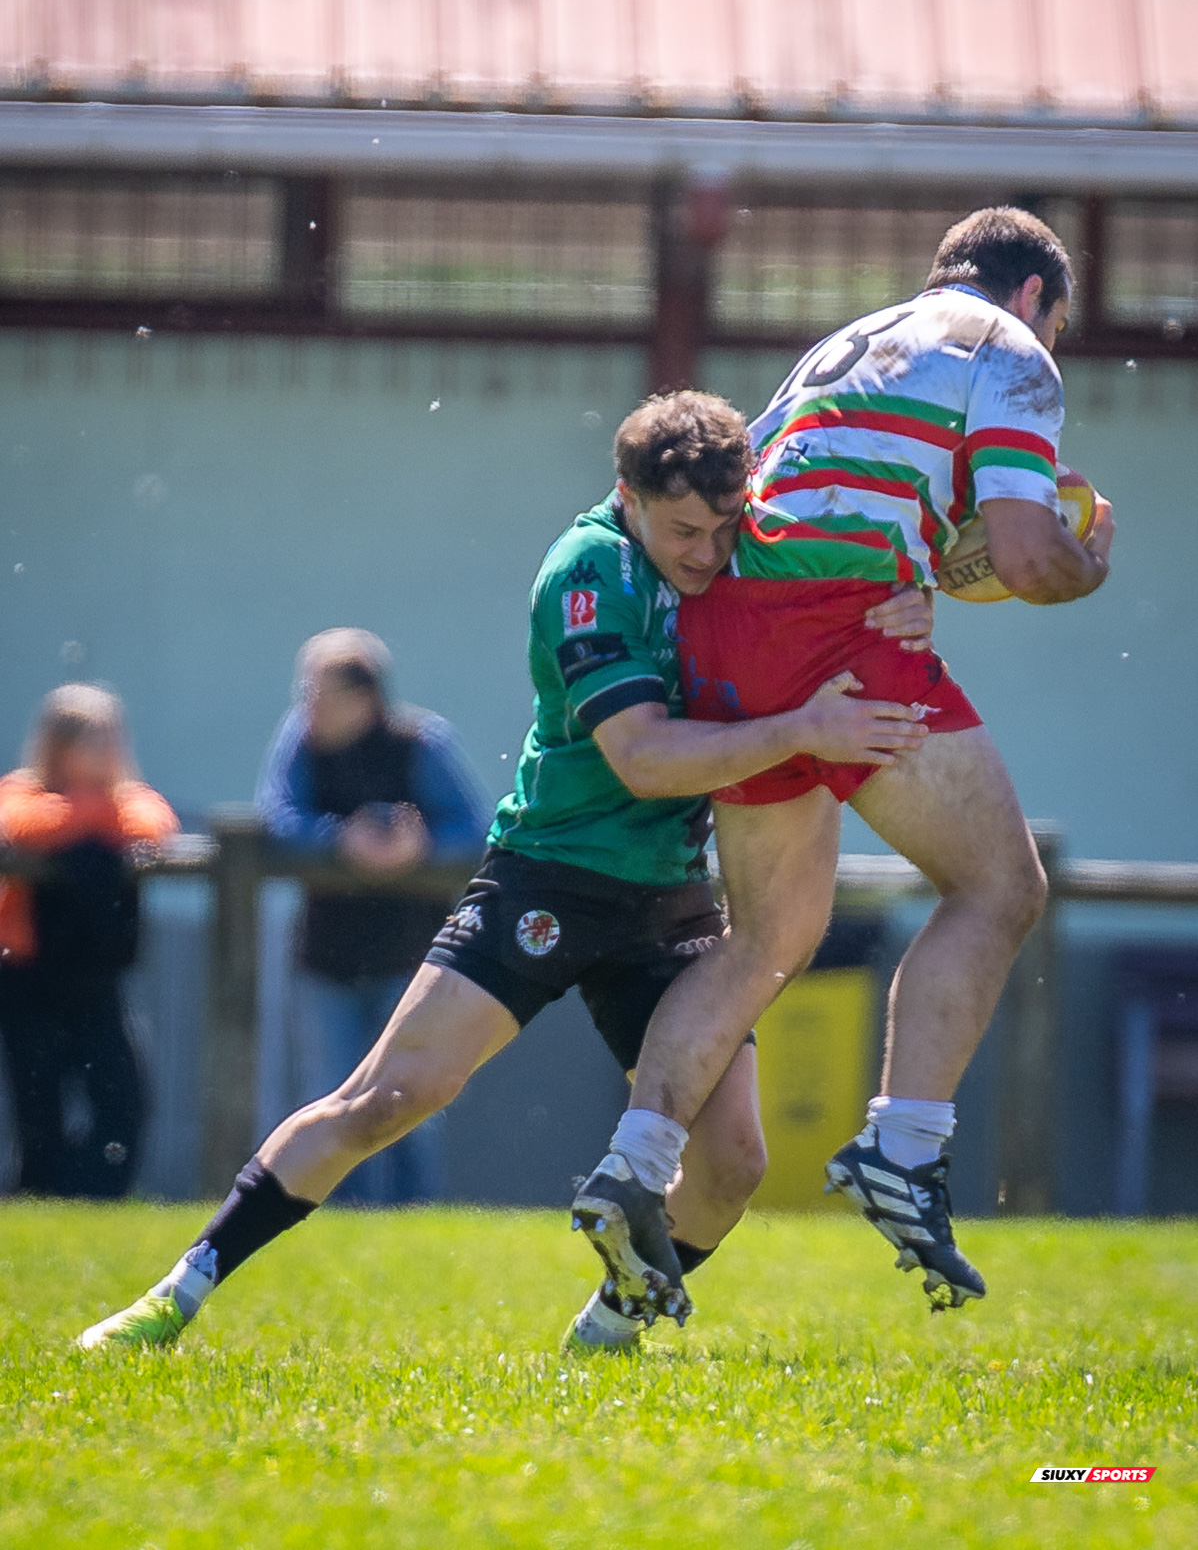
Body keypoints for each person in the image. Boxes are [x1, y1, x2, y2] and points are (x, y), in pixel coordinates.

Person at [79, 391, 931, 1353]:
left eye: (725, 528)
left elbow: (841, 575)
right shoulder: (586, 571)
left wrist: (903, 599)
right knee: (389, 1099)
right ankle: (175, 1296)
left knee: (734, 1161)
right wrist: (805, 730)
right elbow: (644, 758)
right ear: (629, 496)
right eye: (685, 530)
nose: (708, 553)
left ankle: (603, 1338)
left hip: (673, 899)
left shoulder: (738, 546)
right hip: (551, 878)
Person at [573, 207, 1116, 1316]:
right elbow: (1022, 553)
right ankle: (902, 1146)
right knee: (1000, 887)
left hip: (730, 625)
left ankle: (631, 1166)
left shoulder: (854, 340)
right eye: (1057, 326)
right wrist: (1084, 564)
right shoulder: (1009, 353)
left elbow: (790, 498)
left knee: (769, 939)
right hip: (834, 628)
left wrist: (910, 566)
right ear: (1033, 298)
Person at [258, 629, 492, 1206]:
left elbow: (475, 831)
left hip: (415, 959)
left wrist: (419, 851)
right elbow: (276, 820)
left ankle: (413, 1221)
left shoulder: (422, 743)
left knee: (408, 1100)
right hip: (326, 956)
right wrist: (343, 842)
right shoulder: (301, 740)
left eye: (318, 692)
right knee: (332, 1097)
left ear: (364, 697)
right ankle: (338, 1219)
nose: (306, 704)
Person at [0, 686, 178, 1198]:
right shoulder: (22, 792)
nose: (107, 753)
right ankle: (38, 1198)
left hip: (96, 982)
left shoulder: (129, 802)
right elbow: (22, 824)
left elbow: (155, 823)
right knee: (39, 1111)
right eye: (92, 742)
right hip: (28, 980)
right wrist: (93, 814)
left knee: (123, 1101)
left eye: (111, 740)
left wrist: (91, 815)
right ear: (58, 747)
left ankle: (90, 1194)